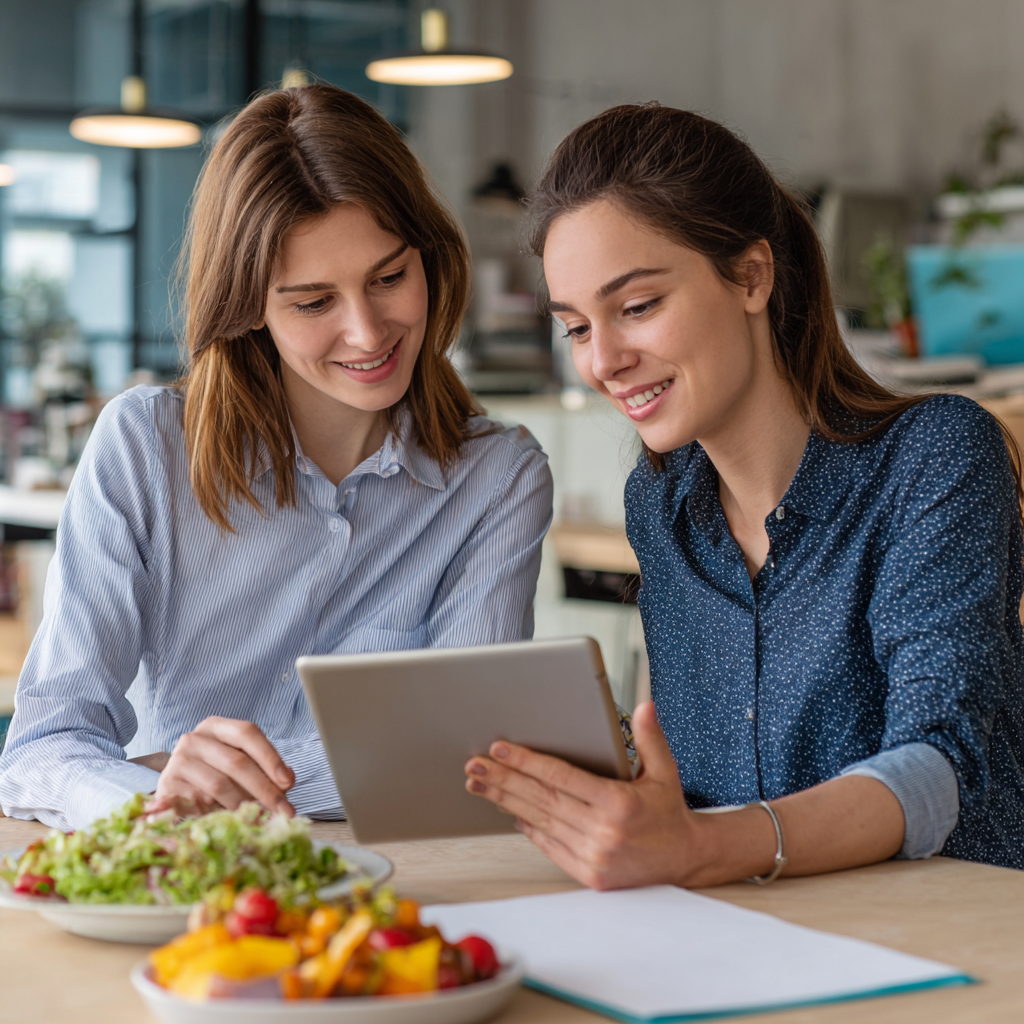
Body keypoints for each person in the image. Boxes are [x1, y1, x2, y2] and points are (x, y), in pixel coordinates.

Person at [465, 102, 1024, 887]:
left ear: (751, 276)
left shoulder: (934, 455)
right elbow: (687, 772)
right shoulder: (660, 504)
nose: (604, 361)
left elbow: (941, 768)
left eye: (636, 307)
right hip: (742, 937)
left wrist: (699, 848)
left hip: (950, 944)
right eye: (578, 328)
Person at [0, 84, 552, 832]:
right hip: (185, 879)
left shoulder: (498, 478)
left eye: (389, 278)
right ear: (248, 306)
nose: (367, 332)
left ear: (430, 259)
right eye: (313, 302)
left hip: (403, 888)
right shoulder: (144, 449)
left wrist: (194, 779)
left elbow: (462, 758)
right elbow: (41, 747)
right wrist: (152, 799)